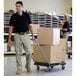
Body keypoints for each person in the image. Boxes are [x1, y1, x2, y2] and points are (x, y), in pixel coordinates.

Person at [7, 1, 34, 74]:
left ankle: (27, 66)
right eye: (16, 6)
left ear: (22, 7)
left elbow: (30, 26)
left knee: (29, 52)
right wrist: (9, 39)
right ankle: (19, 68)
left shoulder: (26, 15)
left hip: (26, 35)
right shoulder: (13, 16)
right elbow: (10, 28)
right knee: (18, 53)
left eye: (19, 6)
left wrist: (33, 35)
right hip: (17, 35)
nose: (17, 7)